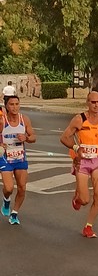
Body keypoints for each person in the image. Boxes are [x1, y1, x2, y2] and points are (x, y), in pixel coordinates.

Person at [60, 91, 98, 238]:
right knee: (85, 200)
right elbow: (64, 137)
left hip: (97, 160)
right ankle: (77, 198)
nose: (96, 105)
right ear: (88, 102)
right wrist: (75, 148)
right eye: (93, 102)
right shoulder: (79, 119)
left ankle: (88, 226)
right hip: (82, 162)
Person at [0, 95, 36, 225]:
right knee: (9, 188)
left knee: (22, 188)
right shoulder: (2, 121)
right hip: (5, 158)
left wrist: (26, 138)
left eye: (17, 104)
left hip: (20, 158)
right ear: (6, 106)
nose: (15, 107)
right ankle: (6, 200)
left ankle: (14, 213)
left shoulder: (24, 119)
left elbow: (33, 137)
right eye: (11, 104)